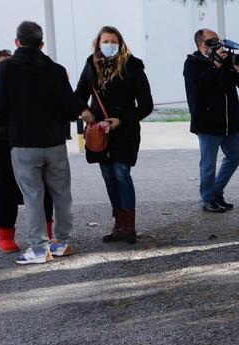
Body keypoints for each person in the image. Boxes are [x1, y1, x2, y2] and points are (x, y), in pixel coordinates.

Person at [0, 21, 95, 265]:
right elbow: (70, 106)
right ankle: (63, 241)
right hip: (54, 142)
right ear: (41, 44)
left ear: (17, 42)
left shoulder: (6, 69)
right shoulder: (56, 70)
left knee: (33, 195)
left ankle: (39, 248)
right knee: (61, 193)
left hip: (24, 143)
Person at [74, 26, 154, 245]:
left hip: (124, 130)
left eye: (113, 41)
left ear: (120, 42)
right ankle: (118, 225)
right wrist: (84, 110)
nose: (109, 45)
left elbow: (146, 105)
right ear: (98, 43)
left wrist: (122, 120)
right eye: (105, 41)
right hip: (100, 131)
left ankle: (129, 227)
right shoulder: (91, 65)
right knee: (109, 177)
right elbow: (78, 95)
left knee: (121, 174)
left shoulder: (132, 65)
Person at [0, 49, 54, 254]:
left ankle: (47, 233)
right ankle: (6, 236)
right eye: (2, 66)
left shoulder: (25, 82)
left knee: (41, 189)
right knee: (6, 191)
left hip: (29, 142)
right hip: (0, 143)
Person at [184, 28, 239, 213]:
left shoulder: (225, 60)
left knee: (235, 156)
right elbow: (200, 84)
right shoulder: (192, 63)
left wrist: (237, 67)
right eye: (212, 41)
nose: (217, 44)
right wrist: (215, 65)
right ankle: (208, 199)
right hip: (208, 123)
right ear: (201, 44)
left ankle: (215, 192)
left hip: (230, 121)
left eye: (218, 40)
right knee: (208, 164)